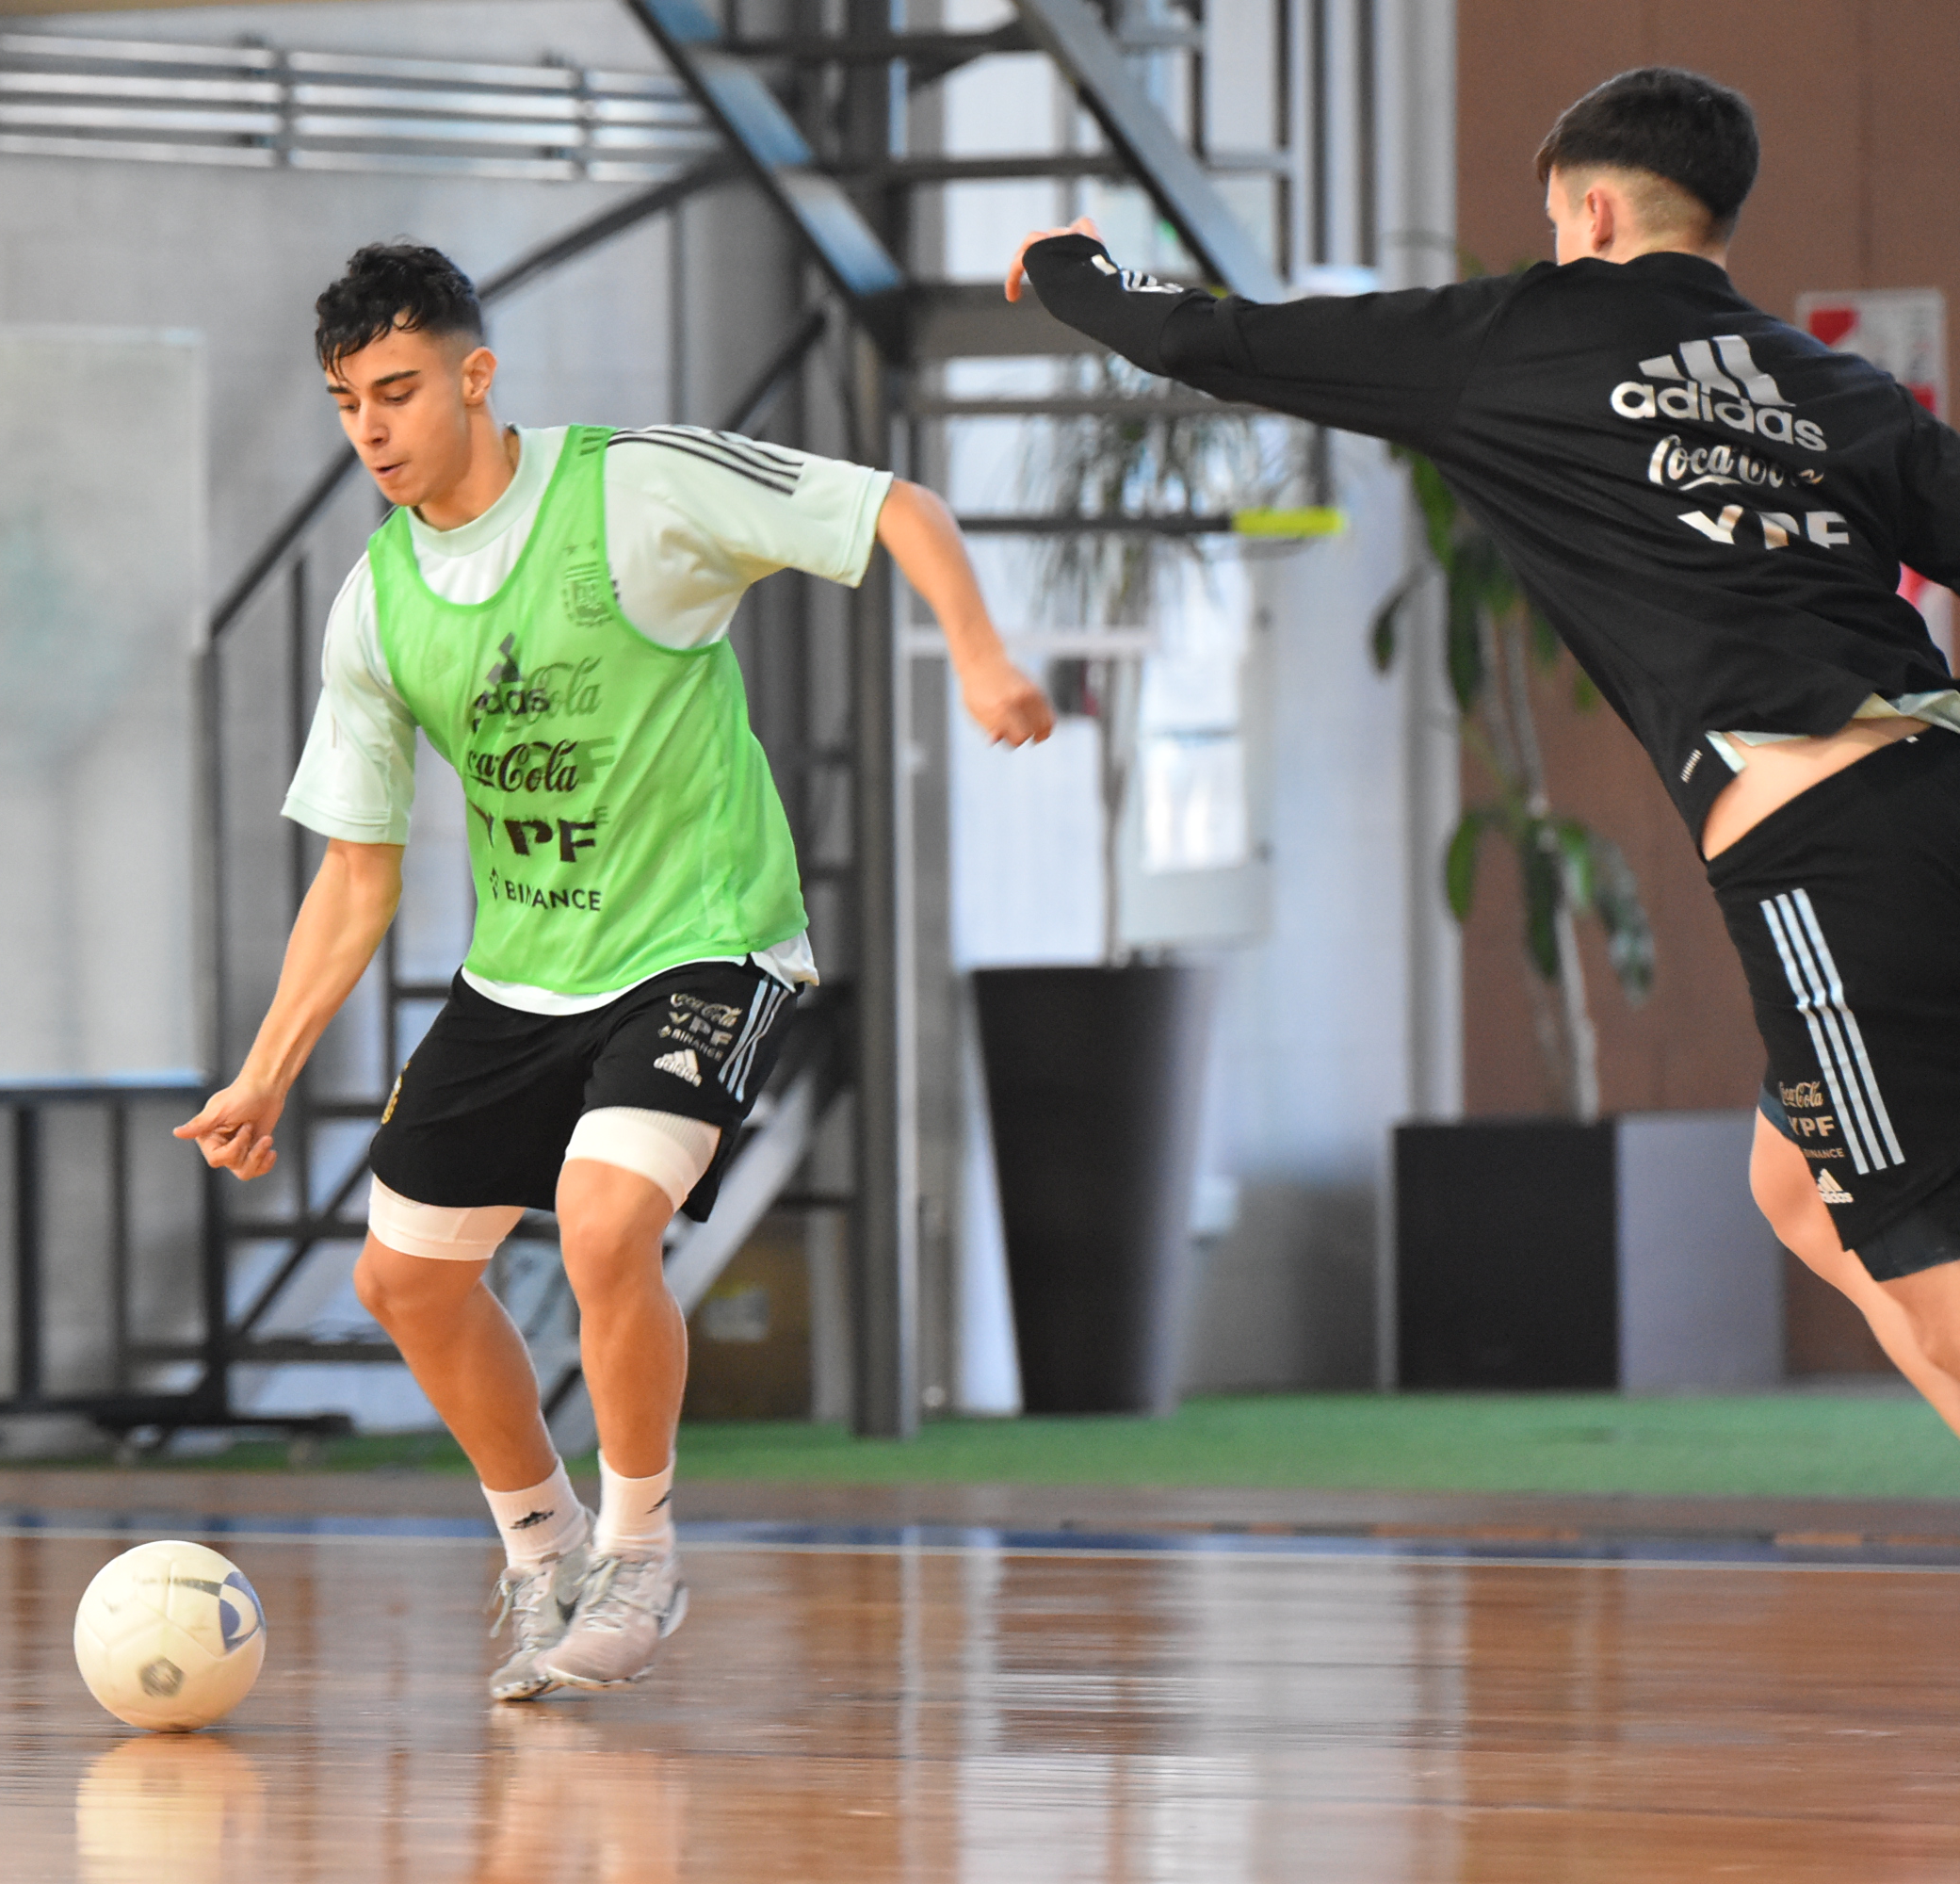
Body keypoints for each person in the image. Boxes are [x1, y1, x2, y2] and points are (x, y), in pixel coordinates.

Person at [1007, 66, 1960, 1433]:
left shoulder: (1517, 336)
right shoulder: (1832, 386)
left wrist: (1066, 264)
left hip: (1822, 848)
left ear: (1588, 209)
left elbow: (1212, 340)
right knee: (1798, 1188)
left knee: (1924, 1264)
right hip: (1935, 786)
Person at [178, 243, 1053, 1698]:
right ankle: (543, 1551)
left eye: (397, 391)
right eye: (346, 405)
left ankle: (641, 1555)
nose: (372, 432)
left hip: (705, 938)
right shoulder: (378, 604)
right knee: (403, 1284)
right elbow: (356, 875)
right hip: (525, 969)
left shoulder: (633, 488)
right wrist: (265, 1071)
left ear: (476, 372)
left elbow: (895, 504)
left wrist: (977, 655)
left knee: (599, 1226)